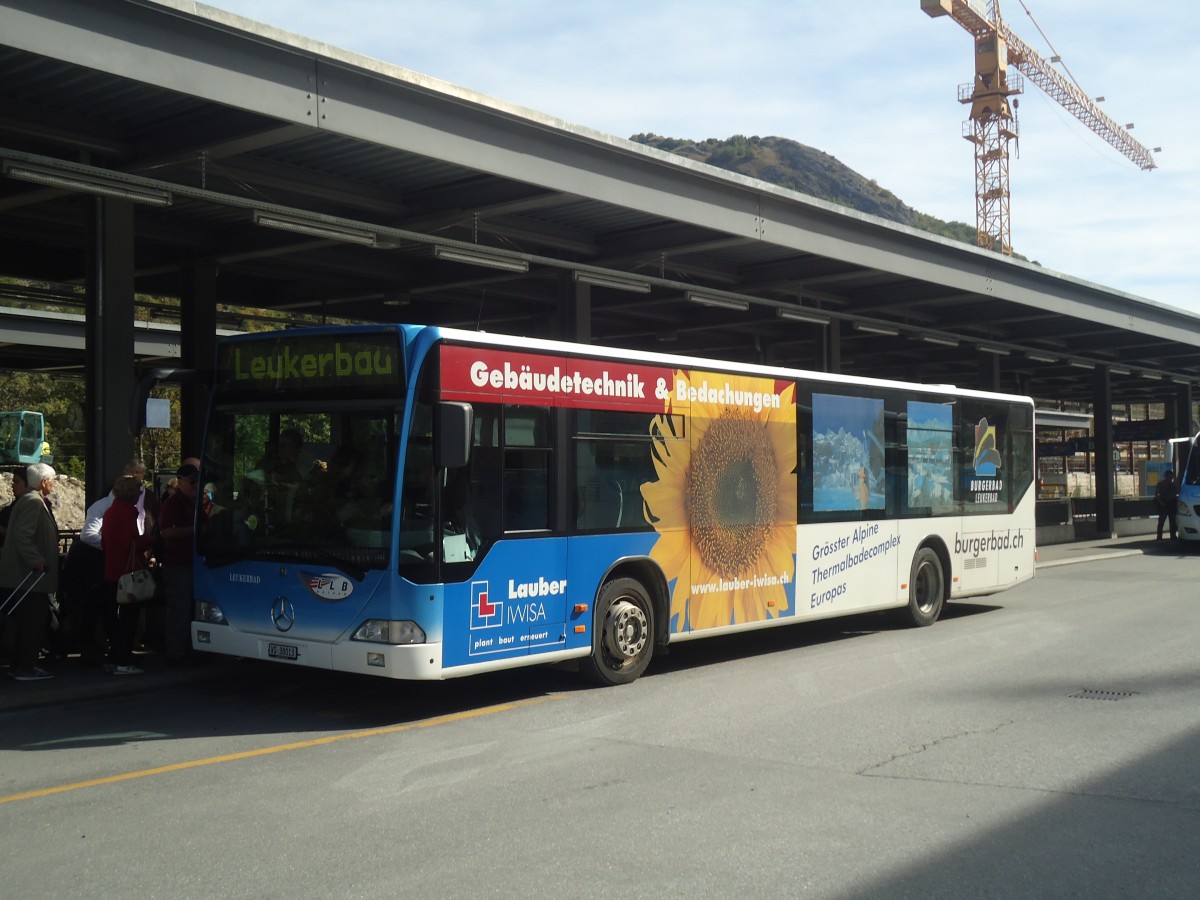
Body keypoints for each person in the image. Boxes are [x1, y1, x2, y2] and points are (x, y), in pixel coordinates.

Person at [0, 463, 60, 681]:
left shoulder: (30, 501)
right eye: (52, 480)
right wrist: (37, 561)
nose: (54, 484)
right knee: (31, 624)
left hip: (28, 578)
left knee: (26, 623)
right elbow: (22, 536)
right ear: (44, 482)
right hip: (30, 578)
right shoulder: (33, 502)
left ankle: (20, 666)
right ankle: (26, 667)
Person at [101, 475, 155, 675]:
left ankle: (114, 657)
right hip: (128, 572)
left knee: (113, 618)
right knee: (128, 619)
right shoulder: (128, 513)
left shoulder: (110, 512)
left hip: (111, 571)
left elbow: (107, 543)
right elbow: (130, 544)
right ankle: (123, 661)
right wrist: (149, 539)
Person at [158, 462, 201, 664]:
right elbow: (165, 532)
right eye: (192, 481)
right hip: (177, 564)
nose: (196, 485)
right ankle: (176, 650)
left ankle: (190, 647)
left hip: (193, 563)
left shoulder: (196, 503)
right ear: (181, 482)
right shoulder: (173, 504)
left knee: (191, 608)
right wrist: (194, 530)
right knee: (180, 608)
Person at [1155, 468, 1178, 541]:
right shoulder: (1161, 484)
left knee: (1172, 522)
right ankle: (1159, 537)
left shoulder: (1173, 485)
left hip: (1171, 504)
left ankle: (1173, 536)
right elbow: (1156, 494)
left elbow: (1175, 495)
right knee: (1161, 522)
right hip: (1164, 504)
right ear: (1166, 476)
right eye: (1169, 476)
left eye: (1171, 476)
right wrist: (1161, 502)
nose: (1170, 477)